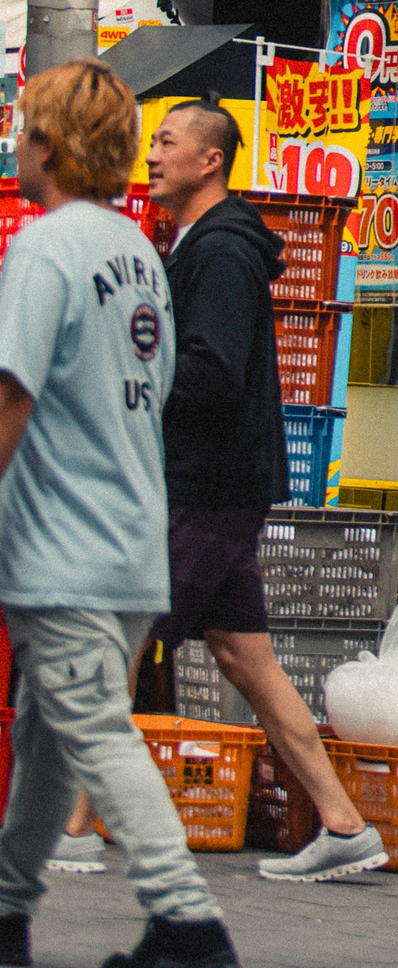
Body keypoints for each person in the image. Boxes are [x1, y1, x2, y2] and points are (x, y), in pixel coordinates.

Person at [0, 62, 238, 968]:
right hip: (132, 537)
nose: (17, 149)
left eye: (23, 133)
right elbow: (162, 382)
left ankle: (187, 924)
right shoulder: (141, 250)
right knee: (48, 732)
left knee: (90, 725)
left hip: (64, 544)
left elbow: (11, 393)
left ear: (49, 147)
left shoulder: (45, 248)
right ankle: (8, 907)